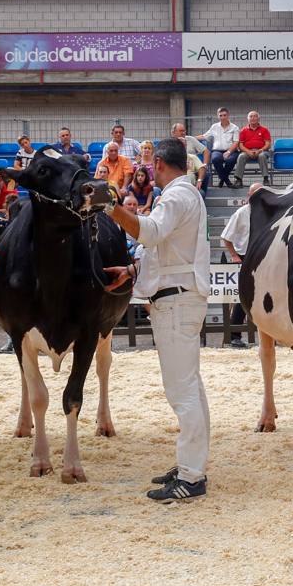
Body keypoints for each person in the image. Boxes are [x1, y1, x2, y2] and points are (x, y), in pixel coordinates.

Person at [103, 139, 211, 503]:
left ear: (160, 162)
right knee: (190, 387)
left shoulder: (177, 196)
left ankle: (192, 477)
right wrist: (133, 269)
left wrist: (113, 209)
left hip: (175, 301)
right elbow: (166, 249)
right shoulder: (185, 195)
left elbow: (149, 233)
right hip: (179, 296)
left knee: (182, 392)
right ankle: (190, 466)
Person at [218, 183, 262, 348]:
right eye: (255, 194)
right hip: (244, 256)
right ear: (249, 196)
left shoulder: (270, 211)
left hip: (263, 255)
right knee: (243, 296)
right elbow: (226, 237)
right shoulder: (241, 213)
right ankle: (234, 334)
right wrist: (234, 255)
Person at [201, 107, 241, 188]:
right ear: (218, 116)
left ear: (228, 115)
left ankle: (222, 179)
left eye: (224, 115)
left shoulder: (235, 127)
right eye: (220, 115)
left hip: (232, 151)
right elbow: (204, 136)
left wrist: (229, 152)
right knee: (215, 159)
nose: (222, 117)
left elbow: (236, 142)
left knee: (230, 160)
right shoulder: (214, 126)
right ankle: (226, 180)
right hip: (217, 150)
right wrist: (190, 138)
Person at [234, 111, 271, 186]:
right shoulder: (243, 130)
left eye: (255, 116)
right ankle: (238, 180)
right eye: (251, 116)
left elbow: (268, 144)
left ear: (258, 119)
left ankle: (266, 179)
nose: (253, 118)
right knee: (241, 156)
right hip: (247, 151)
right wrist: (248, 151)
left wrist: (260, 150)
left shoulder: (264, 130)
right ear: (248, 119)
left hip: (262, 151)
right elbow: (240, 145)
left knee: (262, 156)